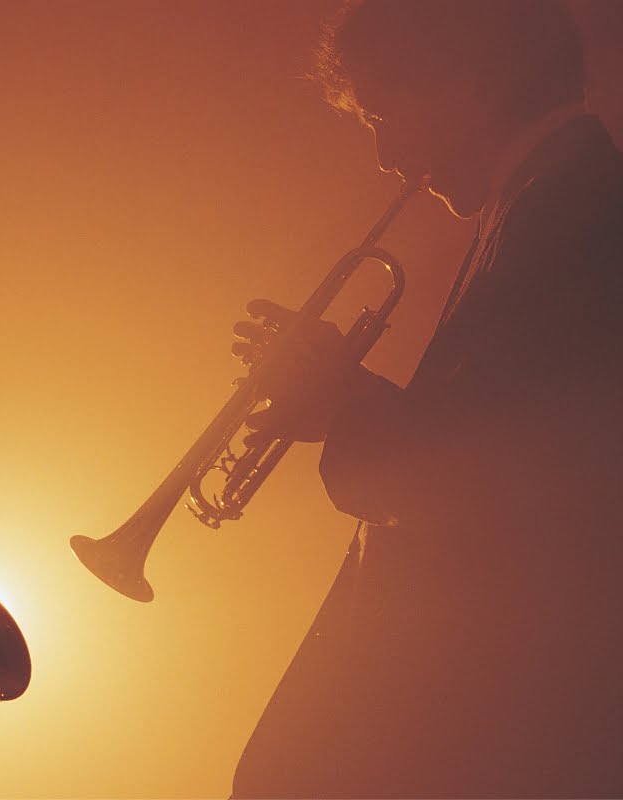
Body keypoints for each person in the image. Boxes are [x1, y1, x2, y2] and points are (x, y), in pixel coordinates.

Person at [230, 1, 623, 797]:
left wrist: (341, 403)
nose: (384, 154)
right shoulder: (547, 196)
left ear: (468, 83)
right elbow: (495, 433)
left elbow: (490, 488)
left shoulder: (569, 207)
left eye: (383, 112)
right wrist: (347, 394)